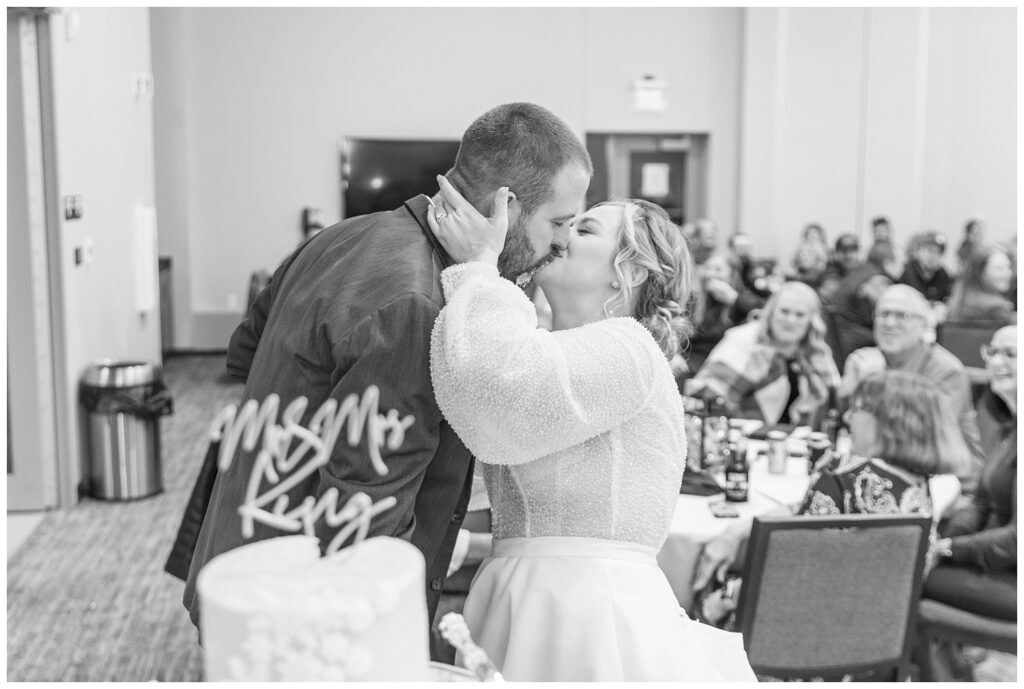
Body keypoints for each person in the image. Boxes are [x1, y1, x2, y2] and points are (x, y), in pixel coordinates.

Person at [179, 103, 594, 641]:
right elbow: (364, 518)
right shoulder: (419, 306)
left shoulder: (342, 235)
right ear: (507, 207)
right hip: (308, 618)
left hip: (241, 566)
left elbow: (244, 353)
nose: (563, 242)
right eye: (558, 222)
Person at [427, 178, 755, 681]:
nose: (560, 236)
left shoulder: (628, 347)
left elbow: (502, 386)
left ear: (631, 271)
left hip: (588, 609)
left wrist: (478, 265)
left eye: (583, 228)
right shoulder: (555, 353)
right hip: (523, 594)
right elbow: (481, 414)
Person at [693, 370, 968, 632]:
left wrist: (728, 596)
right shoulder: (918, 491)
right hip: (871, 653)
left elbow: (790, 571)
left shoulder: (842, 475)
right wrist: (740, 528)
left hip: (785, 650)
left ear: (889, 422)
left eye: (858, 408)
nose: (848, 417)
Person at [920, 325, 1016, 680]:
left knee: (905, 577)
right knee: (916, 557)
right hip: (1001, 567)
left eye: (1011, 354)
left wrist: (947, 548)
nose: (997, 362)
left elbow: (1017, 541)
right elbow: (981, 501)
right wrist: (943, 540)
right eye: (994, 352)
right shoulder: (1009, 426)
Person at [838, 284, 985, 493]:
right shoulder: (867, 360)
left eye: (902, 316)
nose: (889, 323)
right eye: (883, 314)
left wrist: (877, 382)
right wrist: (846, 392)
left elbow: (919, 441)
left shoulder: (946, 371)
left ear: (923, 325)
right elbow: (846, 424)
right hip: (881, 474)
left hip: (946, 482)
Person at [689, 281, 840, 426]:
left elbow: (832, 405)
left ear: (811, 320)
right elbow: (704, 397)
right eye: (784, 311)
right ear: (771, 312)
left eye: (800, 315)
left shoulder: (815, 353)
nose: (791, 320)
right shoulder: (744, 340)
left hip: (796, 443)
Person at [685, 250, 763, 375]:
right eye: (707, 268)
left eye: (718, 269)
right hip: (692, 361)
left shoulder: (740, 299)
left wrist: (734, 298)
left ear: (731, 274)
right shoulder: (694, 299)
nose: (710, 274)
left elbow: (763, 311)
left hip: (724, 365)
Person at [827, 245, 894, 366]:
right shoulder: (875, 277)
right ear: (888, 262)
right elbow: (883, 299)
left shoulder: (862, 271)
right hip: (849, 332)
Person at [947, 243, 1016, 326]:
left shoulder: (961, 300)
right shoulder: (995, 310)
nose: (1007, 274)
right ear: (980, 273)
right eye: (999, 269)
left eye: (1008, 267)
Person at [899, 230, 953, 305]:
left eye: (937, 251)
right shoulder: (907, 272)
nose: (932, 256)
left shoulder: (942, 274)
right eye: (928, 250)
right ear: (918, 251)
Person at [818, 233, 862, 306]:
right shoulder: (829, 273)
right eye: (844, 251)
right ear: (836, 253)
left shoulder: (863, 270)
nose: (848, 255)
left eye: (852, 251)